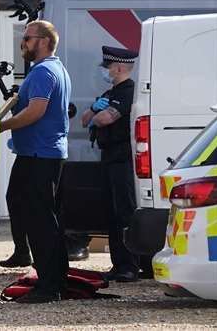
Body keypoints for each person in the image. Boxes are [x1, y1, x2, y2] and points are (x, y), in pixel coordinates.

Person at [0, 20, 71, 304]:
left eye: (26, 39)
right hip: (40, 153)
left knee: (40, 220)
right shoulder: (56, 69)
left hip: (40, 155)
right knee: (42, 216)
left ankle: (49, 286)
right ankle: (56, 279)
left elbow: (36, 111)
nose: (23, 44)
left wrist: (2, 125)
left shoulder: (43, 71)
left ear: (41, 40)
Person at [81, 46, 140, 282]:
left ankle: (130, 266)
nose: (105, 72)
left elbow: (105, 119)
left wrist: (96, 114)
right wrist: (95, 111)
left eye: (107, 68)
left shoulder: (128, 91)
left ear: (118, 68)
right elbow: (86, 120)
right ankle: (119, 263)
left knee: (125, 212)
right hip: (108, 158)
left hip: (122, 158)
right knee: (112, 214)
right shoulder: (110, 92)